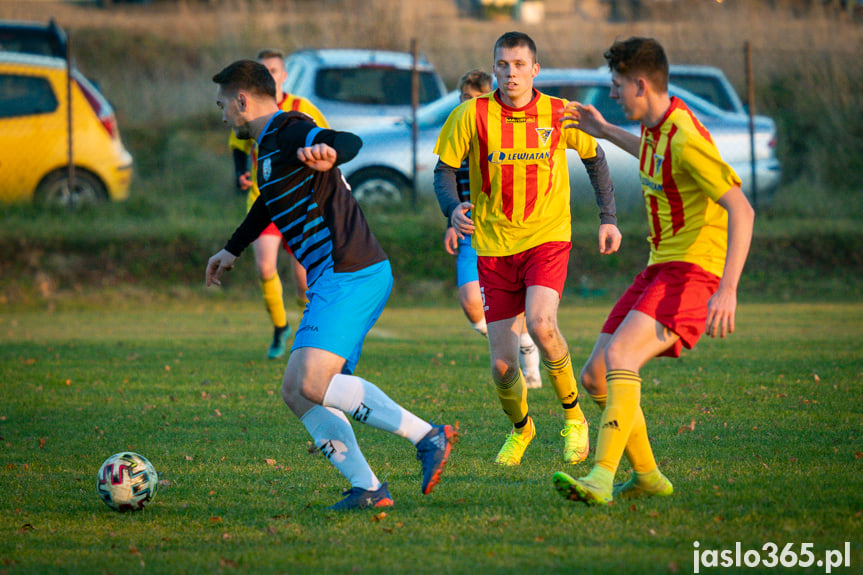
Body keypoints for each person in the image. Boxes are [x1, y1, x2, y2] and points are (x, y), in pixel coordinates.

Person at [208, 59, 457, 510]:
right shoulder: (266, 151)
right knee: (296, 391)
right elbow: (267, 204)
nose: (221, 112)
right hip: (334, 275)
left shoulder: (289, 127)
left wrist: (331, 152)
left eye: (223, 103)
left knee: (313, 382)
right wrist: (232, 249)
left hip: (350, 269)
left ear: (243, 100)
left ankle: (428, 436)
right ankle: (368, 489)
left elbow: (344, 141)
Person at [551, 37, 755, 505]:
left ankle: (600, 477)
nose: (614, 94)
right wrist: (604, 130)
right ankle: (646, 476)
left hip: (693, 274)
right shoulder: (660, 128)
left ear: (640, 83)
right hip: (660, 267)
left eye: (618, 86)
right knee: (597, 376)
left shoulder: (685, 136)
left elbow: (741, 210)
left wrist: (728, 289)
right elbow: (651, 151)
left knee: (620, 356)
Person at [433, 32, 622, 467]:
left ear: (535, 70)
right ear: (494, 68)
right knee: (502, 367)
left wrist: (608, 218)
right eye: (503, 64)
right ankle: (522, 429)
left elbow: (595, 159)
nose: (510, 72)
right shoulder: (470, 115)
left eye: (519, 64)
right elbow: (444, 171)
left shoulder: (559, 113)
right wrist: (452, 208)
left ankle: (575, 420)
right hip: (494, 246)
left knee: (541, 323)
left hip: (547, 238)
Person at [442, 68, 542, 389]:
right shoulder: (457, 133)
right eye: (461, 100)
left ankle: (527, 357)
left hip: (505, 232)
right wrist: (451, 219)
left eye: (472, 100)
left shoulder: (501, 134)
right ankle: (522, 342)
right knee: (472, 305)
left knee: (516, 304)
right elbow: (448, 180)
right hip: (471, 232)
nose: (466, 107)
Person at [228, 49, 329, 360]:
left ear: (284, 75)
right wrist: (241, 173)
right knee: (264, 266)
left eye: (274, 70)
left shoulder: (302, 108)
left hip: (297, 204)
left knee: (302, 279)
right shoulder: (251, 111)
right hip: (262, 201)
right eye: (264, 70)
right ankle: (280, 327)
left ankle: (310, 332)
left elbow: (325, 141)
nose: (270, 75)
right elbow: (238, 145)